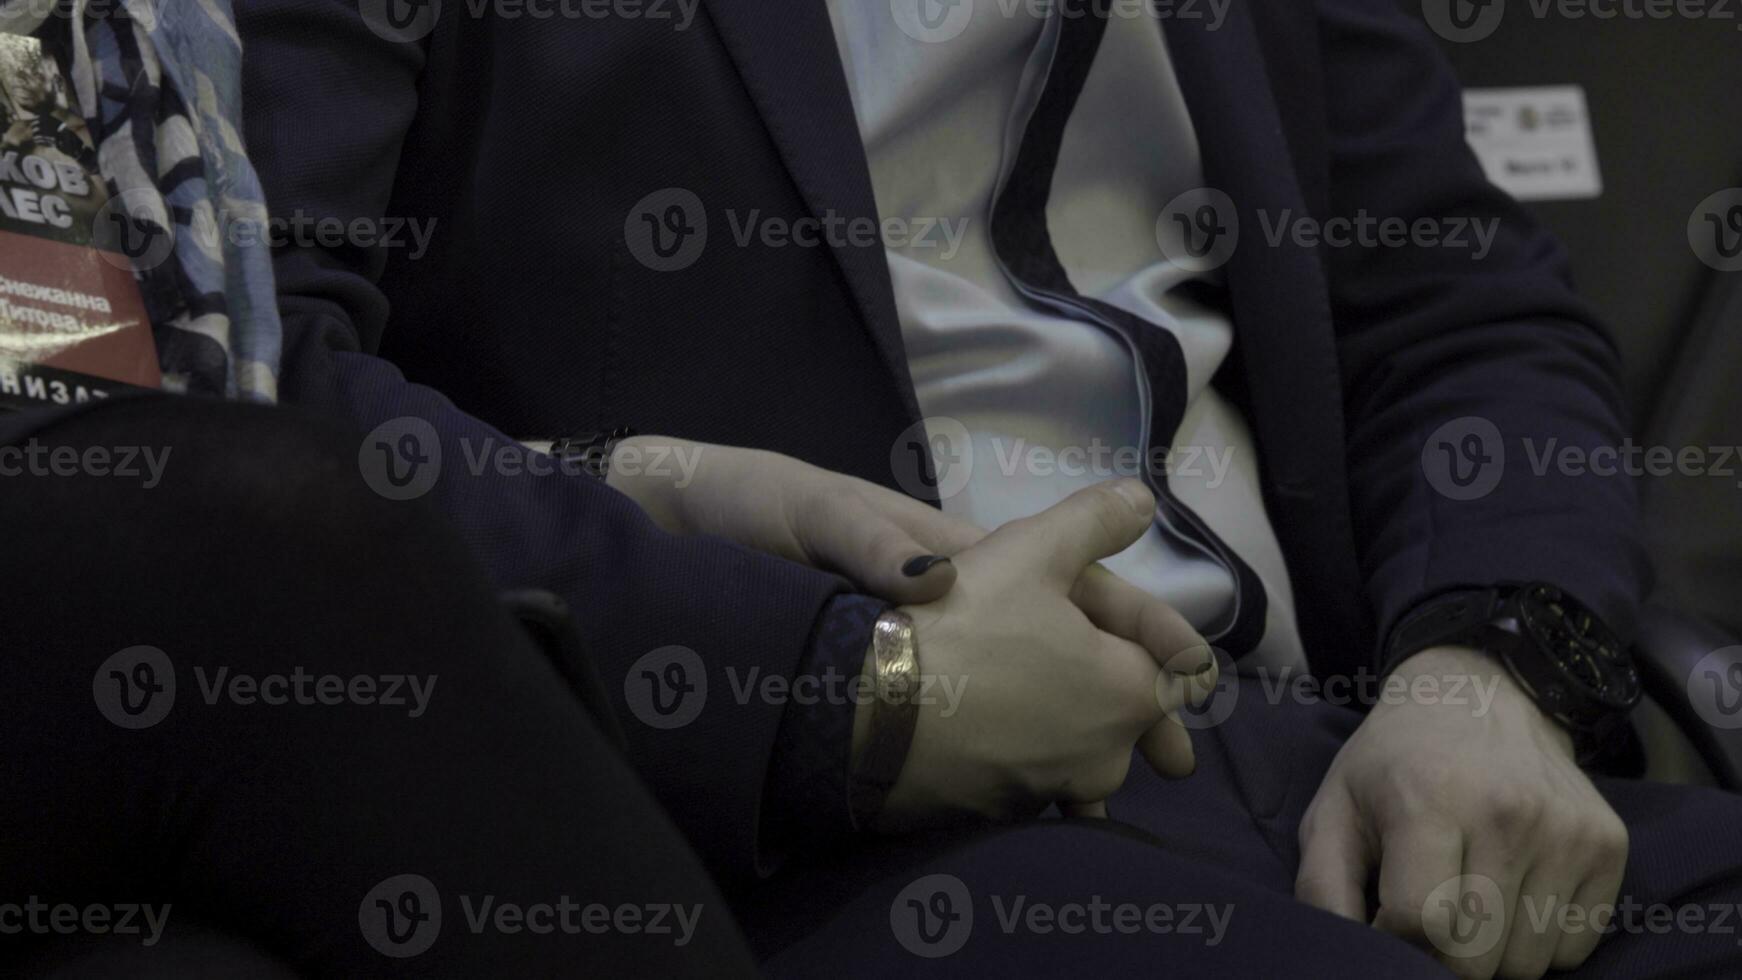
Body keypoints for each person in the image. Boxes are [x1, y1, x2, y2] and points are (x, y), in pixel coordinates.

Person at [233, 0, 1742, 976]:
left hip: (1344, 755)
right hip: (803, 816)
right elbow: (250, 371)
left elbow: (1456, 307)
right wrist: (841, 686)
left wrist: (1489, 669)